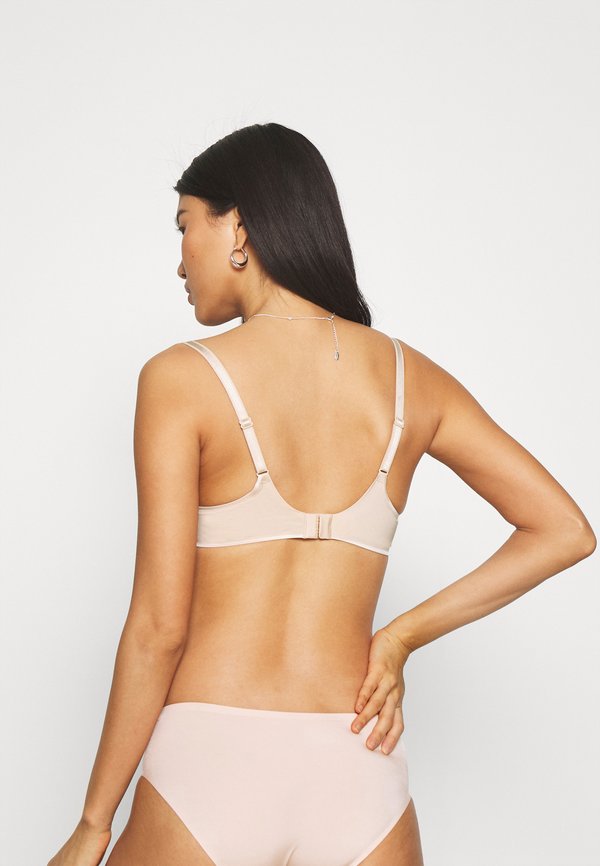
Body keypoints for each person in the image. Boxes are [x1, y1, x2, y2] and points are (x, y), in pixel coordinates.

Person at [47, 123, 596, 866]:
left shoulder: (179, 379)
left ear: (238, 227)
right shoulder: (412, 380)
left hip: (213, 761)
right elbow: (565, 529)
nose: (179, 259)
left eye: (185, 226)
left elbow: (158, 629)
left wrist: (93, 823)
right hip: (357, 765)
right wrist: (399, 638)